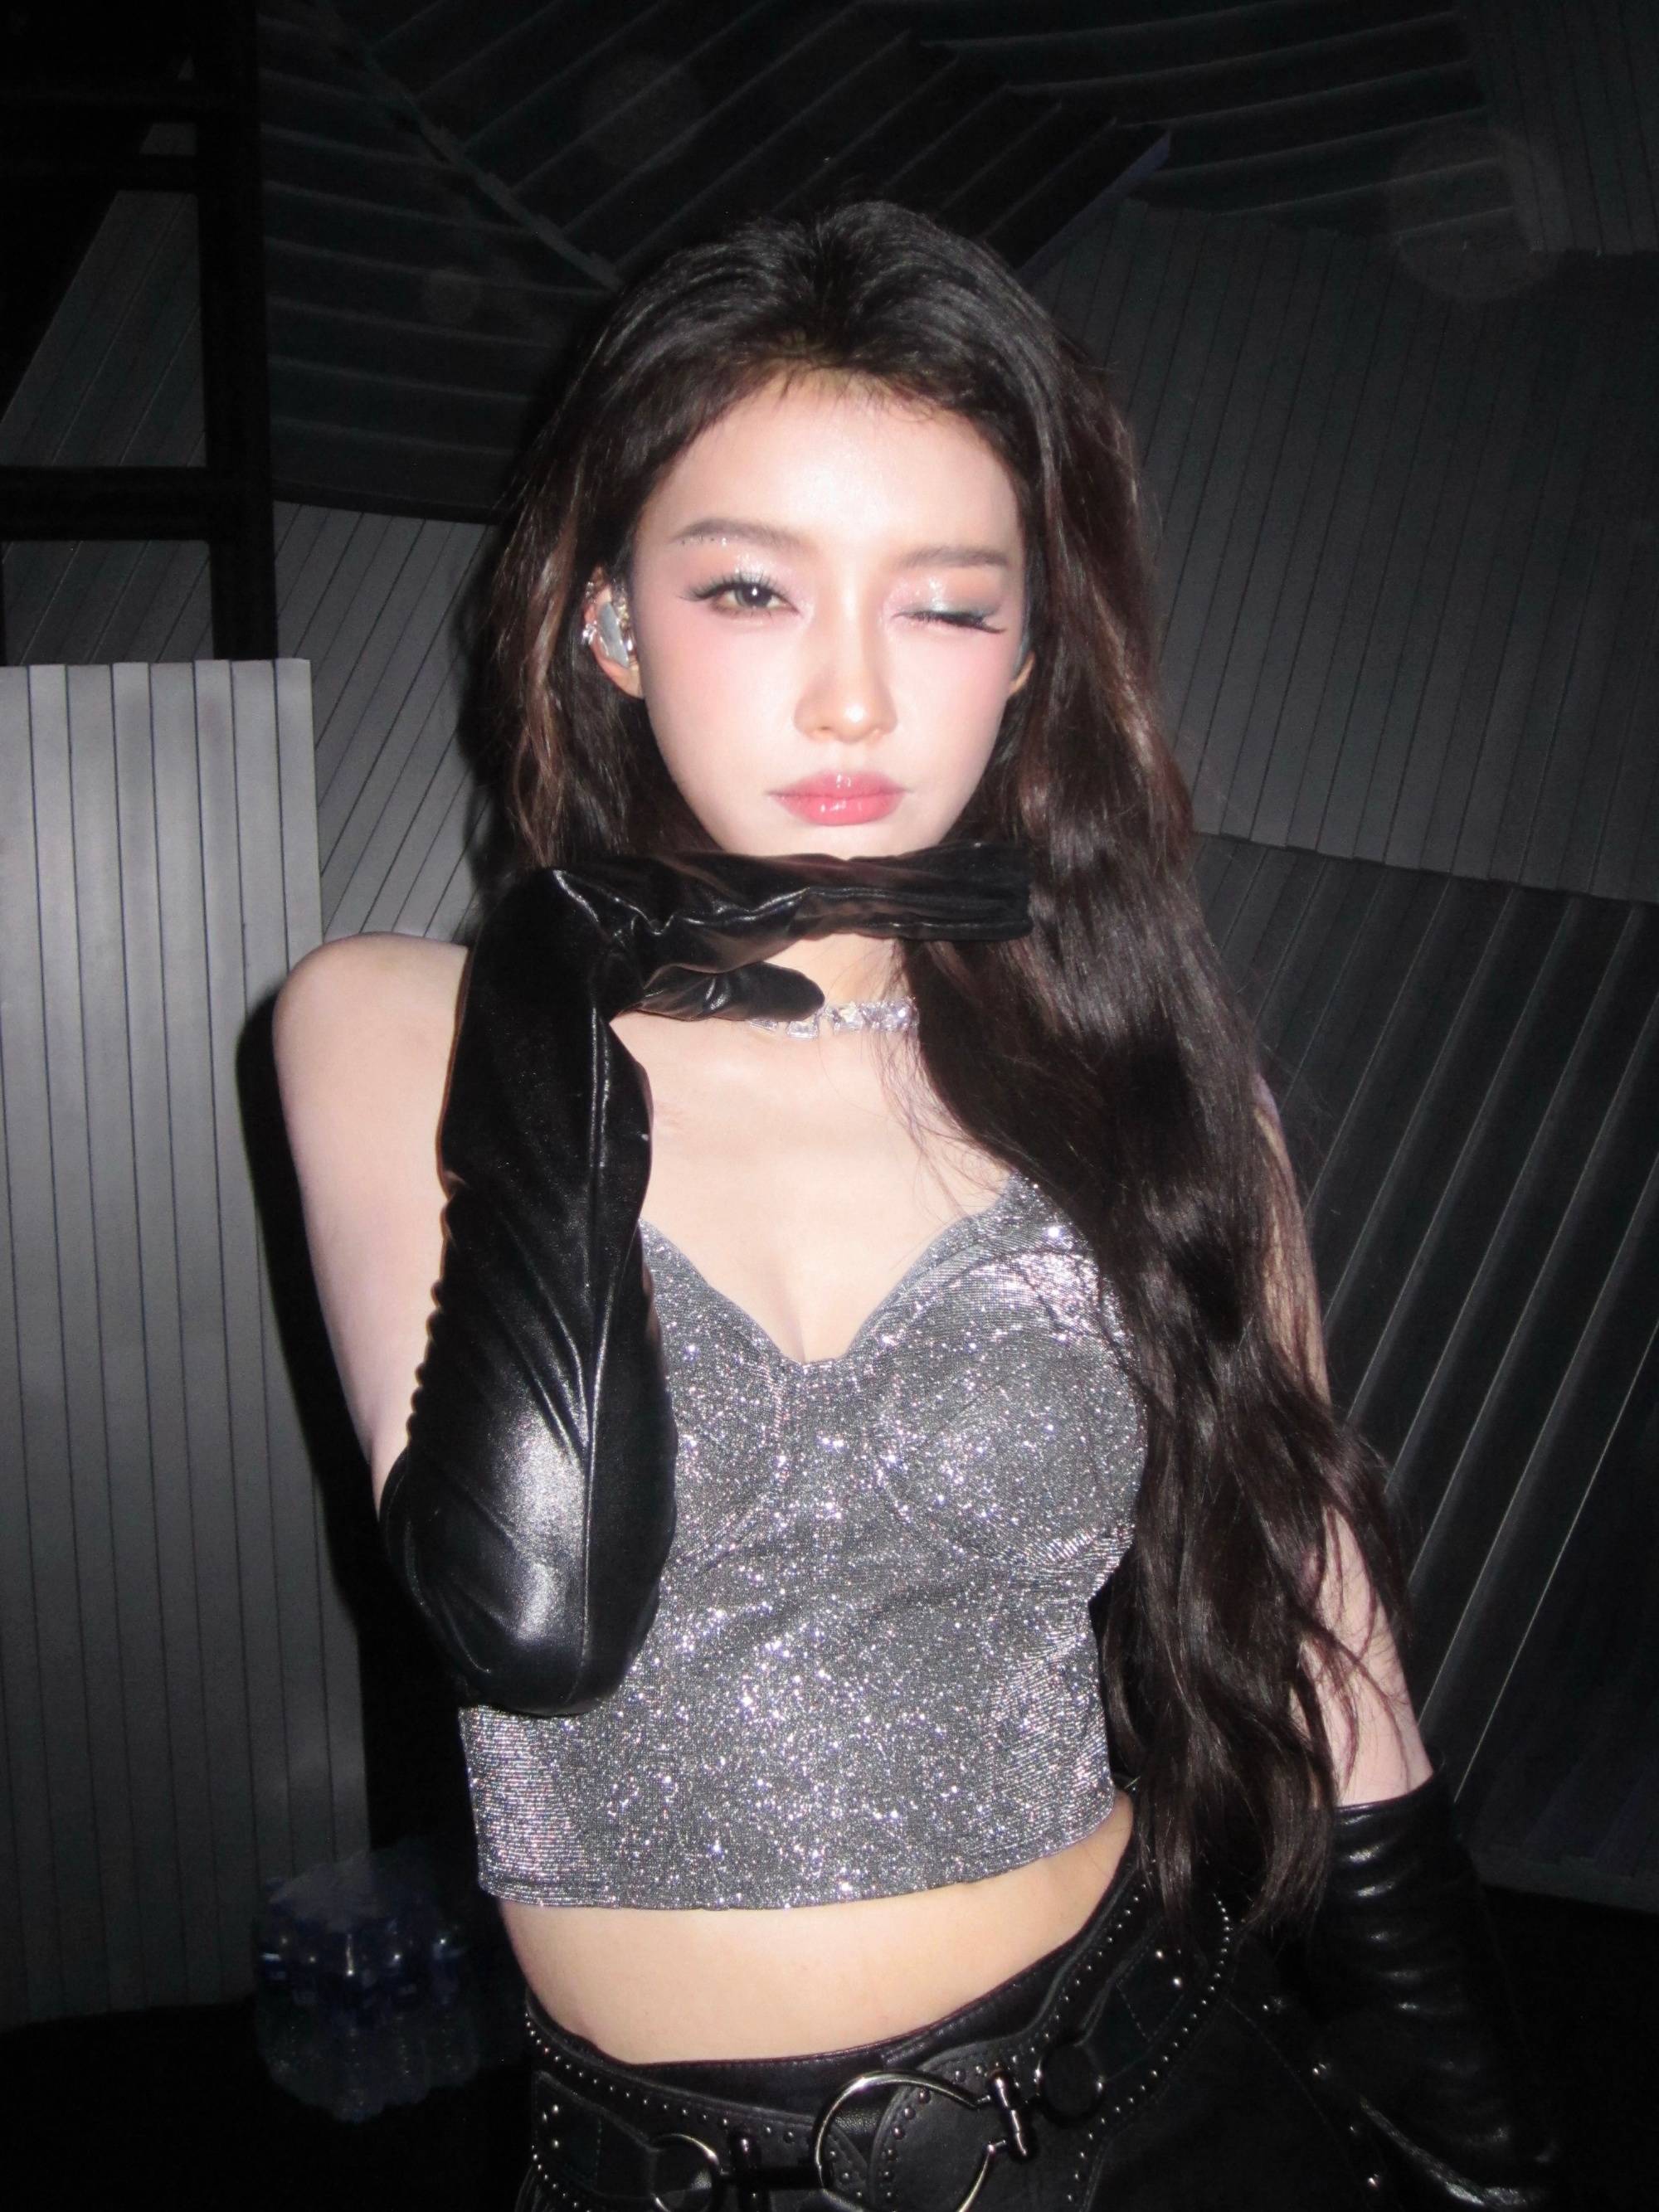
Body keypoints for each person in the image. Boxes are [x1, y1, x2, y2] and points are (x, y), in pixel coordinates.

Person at [275, 202, 1569, 2211]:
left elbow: (1319, 1607)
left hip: (1154, 2107)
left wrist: (1474, 2110)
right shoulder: (393, 1024)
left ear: (1030, 653)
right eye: (751, 590)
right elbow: (534, 1611)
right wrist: (554, 984)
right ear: (610, 622)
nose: (854, 702)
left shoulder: (1149, 1087)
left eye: (946, 607)